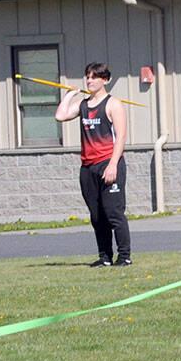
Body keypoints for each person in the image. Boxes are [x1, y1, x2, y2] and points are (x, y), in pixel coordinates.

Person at [55, 62, 132, 266]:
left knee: (114, 213)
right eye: (87, 77)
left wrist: (113, 165)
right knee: (97, 216)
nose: (89, 80)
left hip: (108, 163)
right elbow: (60, 116)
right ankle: (104, 257)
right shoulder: (83, 105)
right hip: (88, 167)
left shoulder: (113, 104)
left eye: (94, 77)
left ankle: (124, 256)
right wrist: (70, 95)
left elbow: (121, 137)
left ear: (105, 80)